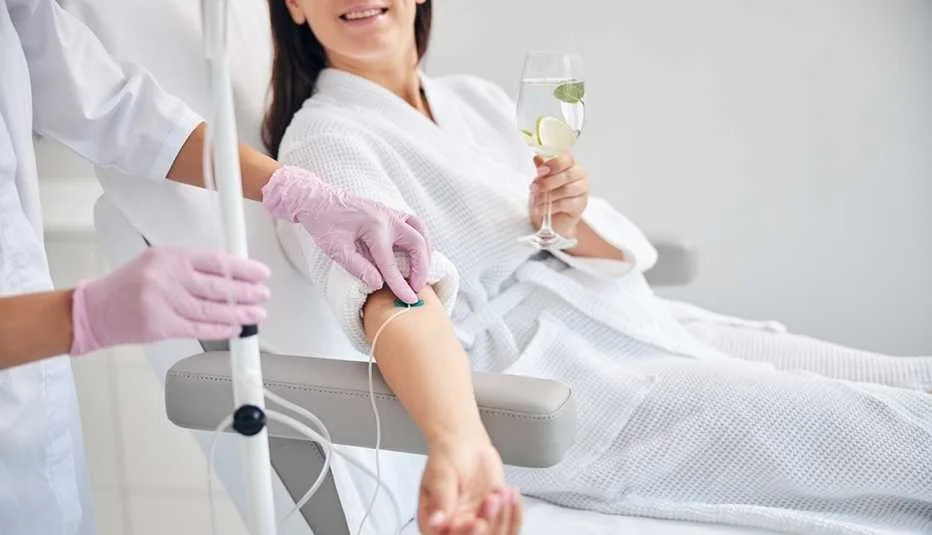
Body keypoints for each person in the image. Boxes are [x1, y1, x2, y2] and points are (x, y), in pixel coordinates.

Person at [263, 0, 932, 534]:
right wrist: (457, 438)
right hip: (557, 381)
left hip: (632, 319)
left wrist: (570, 215)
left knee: (909, 380)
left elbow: (602, 254)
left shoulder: (475, 101)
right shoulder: (326, 139)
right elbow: (391, 294)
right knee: (881, 429)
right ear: (293, 4)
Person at [0, 1, 433, 534]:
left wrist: (294, 192)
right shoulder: (328, 134)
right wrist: (79, 315)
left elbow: (115, 108)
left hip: (27, 412)